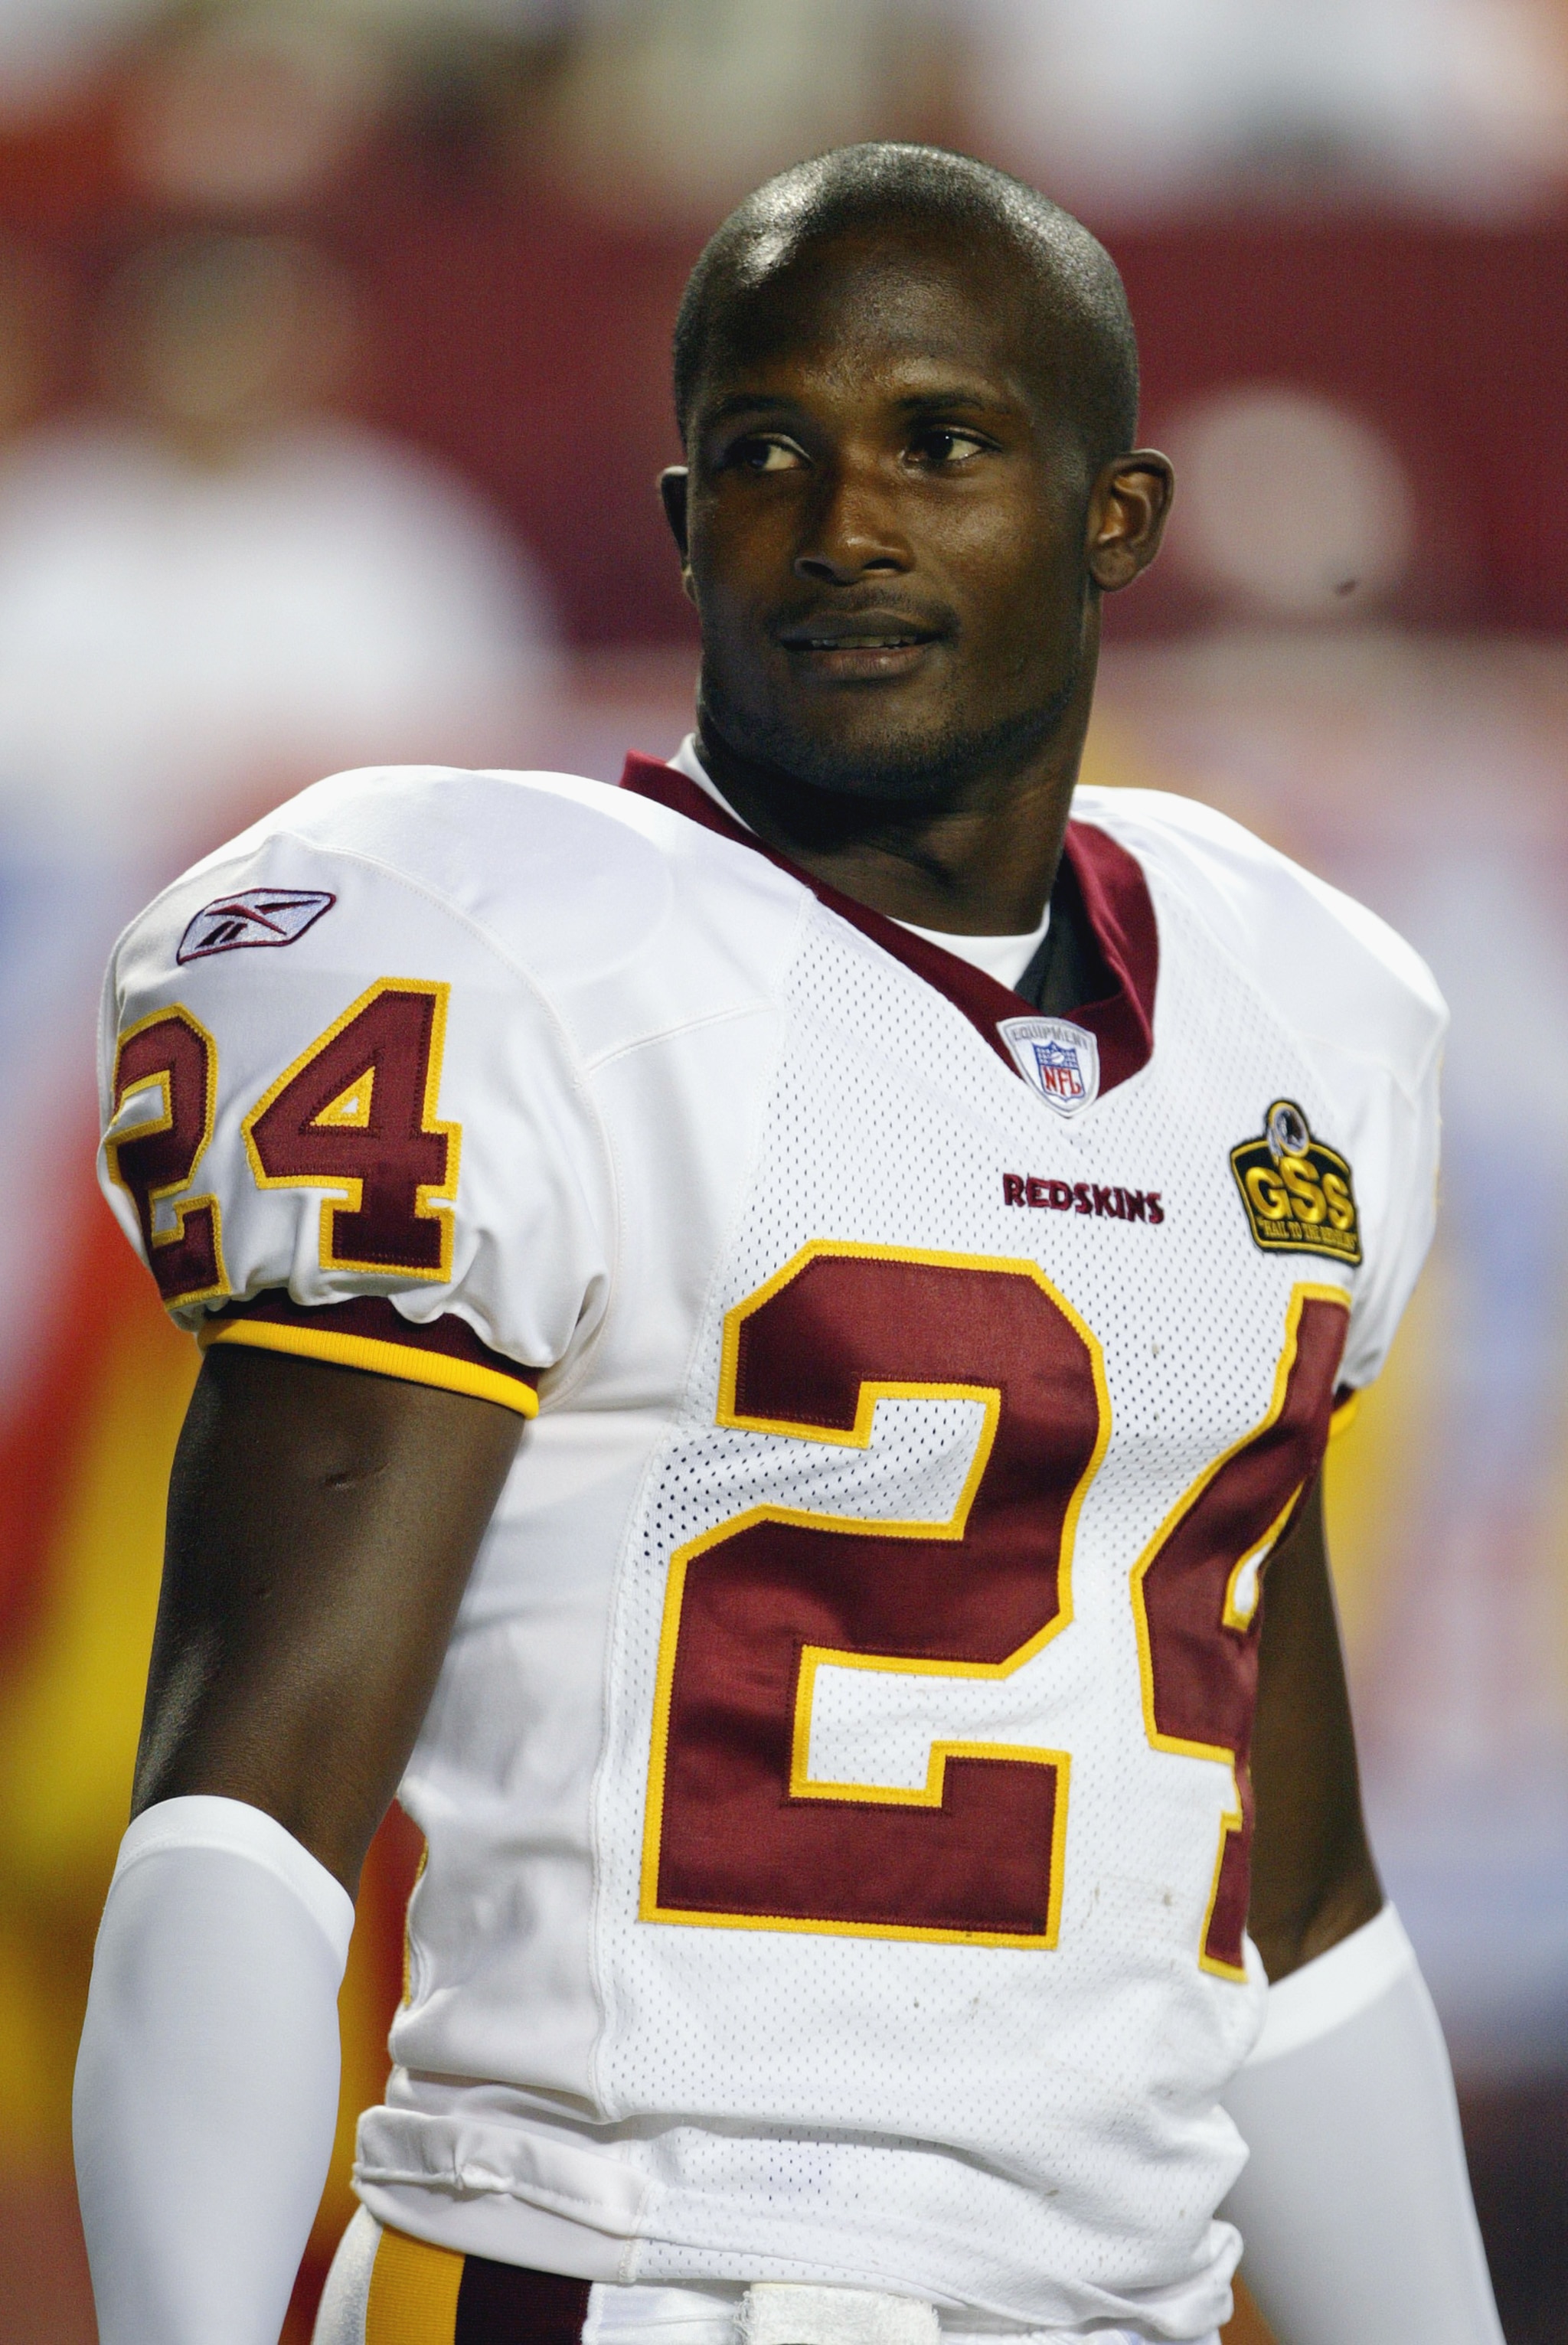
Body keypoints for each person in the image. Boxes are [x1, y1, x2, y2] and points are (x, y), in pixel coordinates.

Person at [74, 144, 1502, 2345]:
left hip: (1110, 2300)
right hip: (623, 2274)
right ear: (681, 527)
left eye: (941, 444)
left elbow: (1290, 1902)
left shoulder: (1294, 1007)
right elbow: (249, 1801)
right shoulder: (512, 960)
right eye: (767, 453)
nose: (846, 526)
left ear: (1113, 518)